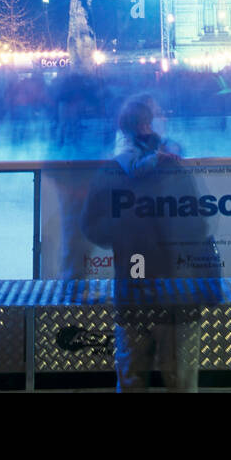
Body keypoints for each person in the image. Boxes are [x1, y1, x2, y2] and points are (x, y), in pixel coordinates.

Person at [86, 94, 215, 392]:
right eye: (160, 114)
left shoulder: (112, 171)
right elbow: (197, 226)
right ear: (146, 125)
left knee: (131, 378)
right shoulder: (172, 168)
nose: (165, 118)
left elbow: (93, 226)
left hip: (133, 291)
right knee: (181, 381)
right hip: (177, 295)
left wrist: (126, 236)